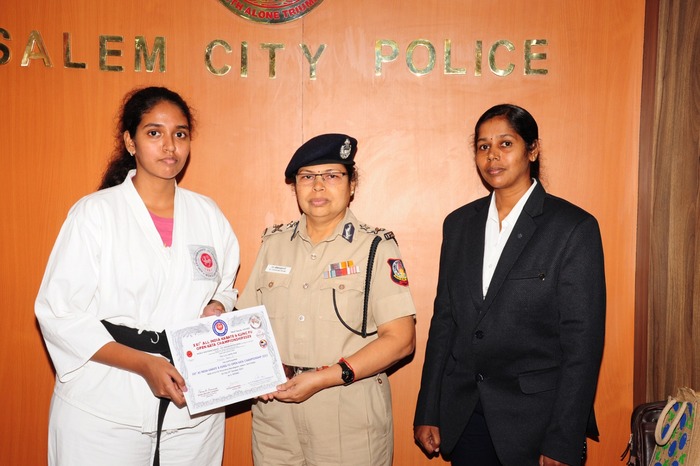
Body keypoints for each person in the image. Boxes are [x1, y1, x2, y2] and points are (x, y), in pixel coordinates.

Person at [35, 86, 240, 466]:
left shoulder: (207, 214)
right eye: (154, 133)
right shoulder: (95, 214)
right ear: (130, 141)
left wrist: (217, 304)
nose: (169, 146)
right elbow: (59, 313)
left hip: (193, 407)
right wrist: (145, 363)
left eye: (180, 134)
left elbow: (226, 286)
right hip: (104, 406)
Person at [413, 104, 606, 466]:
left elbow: (583, 345)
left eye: (505, 143)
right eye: (483, 146)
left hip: (537, 422)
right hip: (466, 416)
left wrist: (563, 439)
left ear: (532, 150)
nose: (493, 156)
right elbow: (444, 323)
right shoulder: (459, 225)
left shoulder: (572, 228)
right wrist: (429, 409)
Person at [236, 133, 417, 465]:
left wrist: (324, 377)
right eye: (307, 177)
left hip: (347, 413)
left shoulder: (375, 247)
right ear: (295, 187)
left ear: (352, 185)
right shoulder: (273, 244)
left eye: (332, 175)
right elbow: (244, 324)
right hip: (276, 418)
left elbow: (401, 340)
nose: (318, 186)